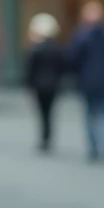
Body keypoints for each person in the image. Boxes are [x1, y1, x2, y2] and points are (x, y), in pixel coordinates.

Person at [69, 2, 104, 163]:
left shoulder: (81, 37)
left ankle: (94, 148)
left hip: (88, 82)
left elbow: (73, 59)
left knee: (90, 115)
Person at [23, 13, 66, 153]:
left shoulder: (35, 49)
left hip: (39, 86)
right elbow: (62, 68)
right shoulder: (57, 48)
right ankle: (48, 137)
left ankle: (44, 138)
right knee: (50, 112)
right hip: (53, 85)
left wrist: (28, 85)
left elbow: (30, 69)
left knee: (42, 113)